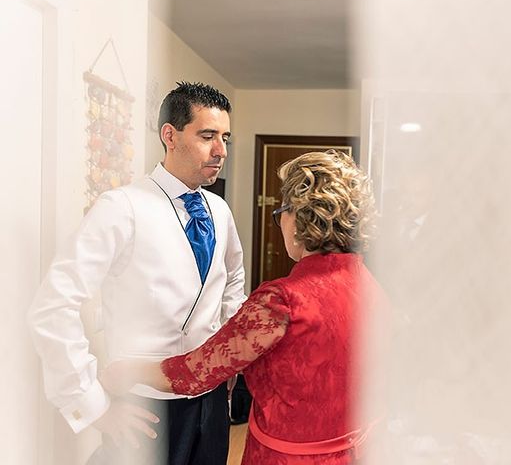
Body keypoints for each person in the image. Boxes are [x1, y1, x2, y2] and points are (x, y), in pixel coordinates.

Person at [101, 150, 380, 464]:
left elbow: (197, 372)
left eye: (281, 211)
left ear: (300, 218)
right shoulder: (370, 286)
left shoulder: (283, 302)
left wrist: (127, 370)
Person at [28, 82, 246, 465]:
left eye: (225, 137)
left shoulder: (220, 211)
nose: (221, 151)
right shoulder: (121, 207)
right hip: (146, 405)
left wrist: (225, 362)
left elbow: (232, 286)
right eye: (207, 136)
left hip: (210, 406)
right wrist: (92, 405)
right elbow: (53, 305)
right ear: (170, 136)